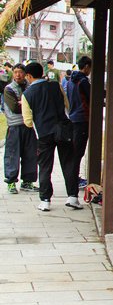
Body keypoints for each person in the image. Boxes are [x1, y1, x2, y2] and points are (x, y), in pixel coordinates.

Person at [21, 62, 80, 211]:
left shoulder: (27, 94)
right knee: (69, 163)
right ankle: (73, 197)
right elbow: (68, 105)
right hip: (63, 130)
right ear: (42, 72)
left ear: (28, 76)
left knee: (45, 166)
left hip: (43, 133)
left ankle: (45, 200)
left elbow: (28, 121)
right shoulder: (55, 85)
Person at [3, 64, 37, 194]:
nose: (18, 75)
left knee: (30, 154)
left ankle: (27, 182)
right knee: (12, 154)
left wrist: (23, 103)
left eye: (21, 72)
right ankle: (11, 182)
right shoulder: (9, 89)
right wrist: (26, 104)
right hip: (14, 126)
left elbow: (34, 104)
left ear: (25, 74)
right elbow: (15, 108)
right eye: (15, 72)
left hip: (28, 125)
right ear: (13, 73)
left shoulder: (30, 87)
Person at [66, 56, 92, 189]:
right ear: (86, 66)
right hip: (82, 118)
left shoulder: (71, 81)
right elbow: (93, 97)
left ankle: (73, 178)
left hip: (73, 118)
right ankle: (73, 180)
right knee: (78, 152)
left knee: (75, 151)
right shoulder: (83, 82)